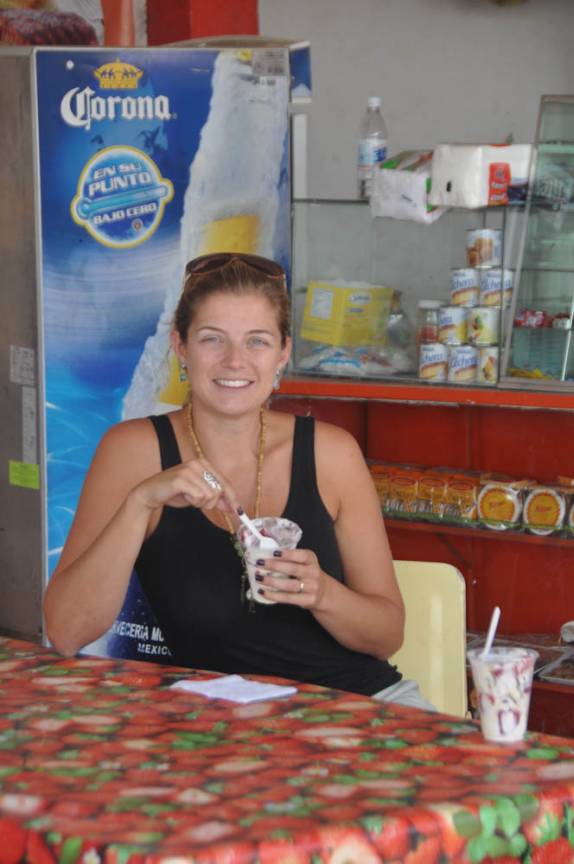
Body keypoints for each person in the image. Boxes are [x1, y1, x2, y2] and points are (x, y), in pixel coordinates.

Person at [44, 252, 435, 711]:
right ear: (181, 347)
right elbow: (67, 631)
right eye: (213, 339)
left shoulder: (332, 453)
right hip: (220, 720)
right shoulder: (133, 452)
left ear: (283, 353)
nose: (235, 361)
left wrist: (322, 593)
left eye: (257, 341)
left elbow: (387, 636)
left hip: (358, 703)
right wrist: (141, 503)